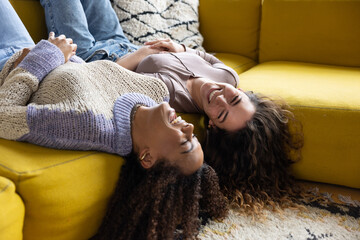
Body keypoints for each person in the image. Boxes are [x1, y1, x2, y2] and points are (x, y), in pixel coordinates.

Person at [39, 0, 305, 213]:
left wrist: (142, 55)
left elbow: (105, 81)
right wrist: (181, 48)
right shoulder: (228, 76)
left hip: (94, 56)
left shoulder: (166, 99)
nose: (220, 97)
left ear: (212, 124)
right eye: (234, 98)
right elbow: (204, 57)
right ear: (242, 91)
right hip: (117, 38)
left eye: (222, 113)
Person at [0, 0, 229, 238]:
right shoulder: (152, 93)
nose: (190, 127)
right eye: (195, 138)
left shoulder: (87, 125)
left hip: (8, 61)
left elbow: (3, 116)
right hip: (38, 51)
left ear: (147, 157)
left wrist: (48, 55)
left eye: (185, 142)